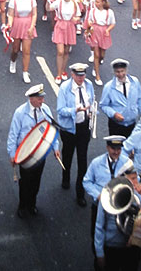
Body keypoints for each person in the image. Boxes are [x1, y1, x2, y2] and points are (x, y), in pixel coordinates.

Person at [7, 84, 60, 218]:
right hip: (25, 153)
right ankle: (23, 205)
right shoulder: (20, 112)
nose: (42, 101)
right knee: (25, 181)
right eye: (39, 99)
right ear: (31, 99)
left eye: (42, 98)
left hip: (41, 152)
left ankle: (32, 204)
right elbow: (13, 134)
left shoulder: (45, 110)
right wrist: (12, 154)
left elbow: (51, 129)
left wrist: (56, 148)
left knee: (36, 180)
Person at [94, 161, 141, 271]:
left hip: (133, 247)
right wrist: (99, 253)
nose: (136, 182)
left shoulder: (139, 195)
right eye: (133, 178)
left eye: (136, 178)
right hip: (112, 245)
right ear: (122, 178)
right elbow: (99, 226)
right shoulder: (108, 196)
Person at [83, 135, 129, 259]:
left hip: (120, 207)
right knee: (97, 233)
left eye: (119, 149)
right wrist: (98, 196)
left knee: (121, 235)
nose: (116, 152)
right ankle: (98, 255)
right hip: (99, 206)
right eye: (113, 148)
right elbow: (86, 182)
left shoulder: (127, 163)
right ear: (107, 147)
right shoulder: (97, 163)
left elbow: (135, 181)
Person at [57, 63, 95, 207]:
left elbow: (91, 102)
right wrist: (75, 110)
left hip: (84, 128)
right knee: (67, 156)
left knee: (82, 160)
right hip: (69, 130)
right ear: (72, 74)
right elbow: (60, 110)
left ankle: (80, 193)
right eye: (78, 75)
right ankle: (65, 178)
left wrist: (91, 112)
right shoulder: (65, 88)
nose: (81, 78)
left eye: (83, 75)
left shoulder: (89, 85)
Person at [100, 58, 141, 138]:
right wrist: (114, 114)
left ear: (126, 70)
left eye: (122, 71)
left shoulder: (135, 82)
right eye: (117, 72)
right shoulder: (109, 87)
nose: (120, 74)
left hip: (132, 124)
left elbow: (140, 98)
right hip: (116, 125)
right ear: (114, 72)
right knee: (117, 149)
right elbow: (103, 105)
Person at [48, 0, 81, 84]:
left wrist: (76, 19)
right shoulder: (58, 2)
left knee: (66, 51)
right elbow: (49, 7)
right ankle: (58, 74)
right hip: (60, 26)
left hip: (70, 27)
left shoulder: (74, 4)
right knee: (60, 51)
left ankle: (63, 70)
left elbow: (78, 15)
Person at [7, 0, 37, 84]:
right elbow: (10, 14)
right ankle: (13, 61)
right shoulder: (14, 0)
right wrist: (10, 24)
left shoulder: (32, 0)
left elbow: (34, 14)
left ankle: (25, 72)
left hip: (28, 24)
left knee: (26, 50)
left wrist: (32, 26)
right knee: (15, 49)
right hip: (17, 24)